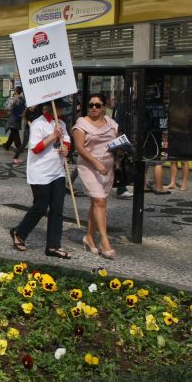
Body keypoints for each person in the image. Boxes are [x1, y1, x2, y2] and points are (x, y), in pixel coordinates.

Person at [10, 99, 72, 259]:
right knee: (40, 206)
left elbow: (66, 142)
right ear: (53, 108)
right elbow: (36, 148)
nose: (63, 110)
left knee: (57, 209)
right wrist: (53, 135)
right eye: (61, 107)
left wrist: (65, 149)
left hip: (57, 172)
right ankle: (19, 232)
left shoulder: (62, 124)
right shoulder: (39, 123)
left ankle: (53, 246)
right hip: (40, 172)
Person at [73, 94, 119, 259]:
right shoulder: (81, 123)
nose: (93, 108)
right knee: (100, 200)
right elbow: (79, 148)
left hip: (107, 167)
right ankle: (104, 241)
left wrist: (118, 157)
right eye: (91, 105)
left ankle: (89, 237)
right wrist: (96, 163)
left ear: (104, 107)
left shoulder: (111, 123)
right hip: (89, 166)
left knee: (97, 202)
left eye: (97, 105)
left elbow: (116, 143)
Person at [3, 86, 25, 154]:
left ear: (15, 91)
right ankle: (7, 145)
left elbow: (7, 107)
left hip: (13, 117)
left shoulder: (12, 99)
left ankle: (19, 148)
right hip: (19, 117)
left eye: (14, 90)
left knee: (15, 133)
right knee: (13, 132)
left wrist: (7, 107)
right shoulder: (22, 99)